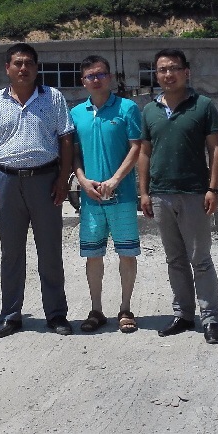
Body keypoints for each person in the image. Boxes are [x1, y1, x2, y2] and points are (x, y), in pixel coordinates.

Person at [0, 43, 75, 338]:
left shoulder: (53, 98)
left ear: (36, 67)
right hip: (7, 182)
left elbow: (66, 140)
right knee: (11, 253)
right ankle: (11, 315)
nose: (23, 68)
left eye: (29, 63)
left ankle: (56, 314)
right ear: (7, 68)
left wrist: (62, 180)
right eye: (17, 63)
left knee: (50, 252)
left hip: (45, 181)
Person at [138, 48, 218, 344]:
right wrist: (144, 192)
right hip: (161, 195)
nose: (168, 74)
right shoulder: (149, 111)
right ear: (157, 74)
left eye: (174, 68)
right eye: (162, 69)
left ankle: (210, 318)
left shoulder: (203, 106)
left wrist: (212, 188)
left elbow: (215, 149)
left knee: (200, 259)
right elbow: (144, 153)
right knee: (174, 259)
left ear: (186, 72)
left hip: (194, 194)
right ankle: (185, 315)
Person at [70, 56, 142, 334]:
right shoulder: (76, 113)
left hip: (121, 195)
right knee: (93, 255)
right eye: (90, 76)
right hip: (90, 198)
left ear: (109, 77)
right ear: (83, 81)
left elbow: (136, 148)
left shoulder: (127, 108)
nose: (96, 79)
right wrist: (82, 180)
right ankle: (96, 309)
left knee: (126, 252)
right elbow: (74, 153)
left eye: (100, 74)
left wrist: (114, 180)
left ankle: (125, 308)